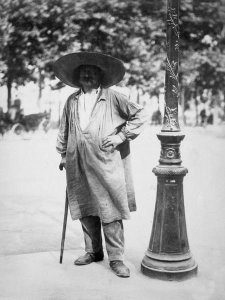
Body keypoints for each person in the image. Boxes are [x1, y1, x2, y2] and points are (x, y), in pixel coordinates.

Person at [54, 52, 147, 278]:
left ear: (100, 75)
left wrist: (120, 137)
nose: (87, 74)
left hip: (106, 163)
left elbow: (139, 115)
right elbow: (64, 130)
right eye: (84, 71)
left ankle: (116, 259)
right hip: (78, 163)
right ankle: (93, 252)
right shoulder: (72, 100)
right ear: (78, 76)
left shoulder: (113, 97)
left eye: (92, 71)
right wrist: (63, 155)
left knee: (110, 210)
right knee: (86, 207)